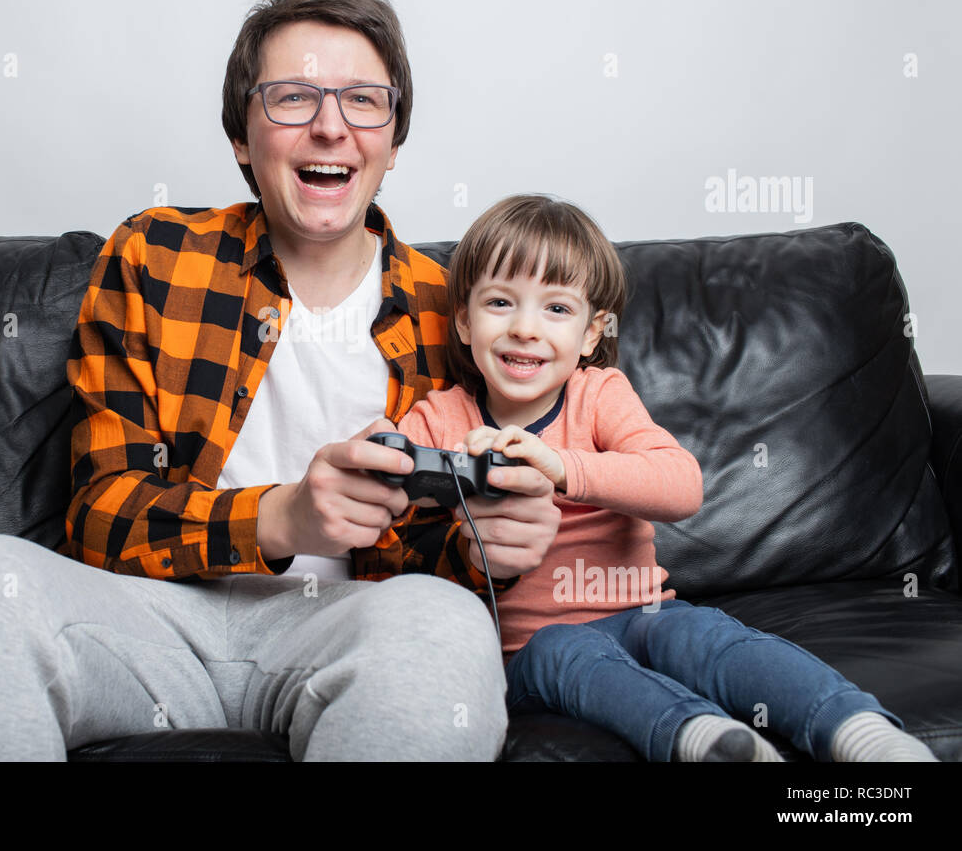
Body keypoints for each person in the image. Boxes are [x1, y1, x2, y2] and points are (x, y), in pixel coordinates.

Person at [0, 0, 562, 761]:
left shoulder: (461, 309)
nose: (331, 127)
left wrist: (490, 546)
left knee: (444, 623)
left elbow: (437, 560)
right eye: (293, 98)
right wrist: (284, 519)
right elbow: (99, 517)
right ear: (241, 137)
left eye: (364, 100)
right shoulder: (156, 255)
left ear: (393, 141)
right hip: (150, 620)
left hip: (347, 628)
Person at [392, 193, 938, 761]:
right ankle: (703, 741)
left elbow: (680, 485)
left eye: (556, 309)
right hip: (526, 651)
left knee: (700, 634)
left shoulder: (599, 394)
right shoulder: (440, 417)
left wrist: (562, 467)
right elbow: (393, 516)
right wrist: (443, 471)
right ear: (463, 322)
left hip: (642, 614)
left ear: (590, 334)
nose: (526, 329)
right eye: (501, 303)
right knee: (565, 648)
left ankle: (860, 731)